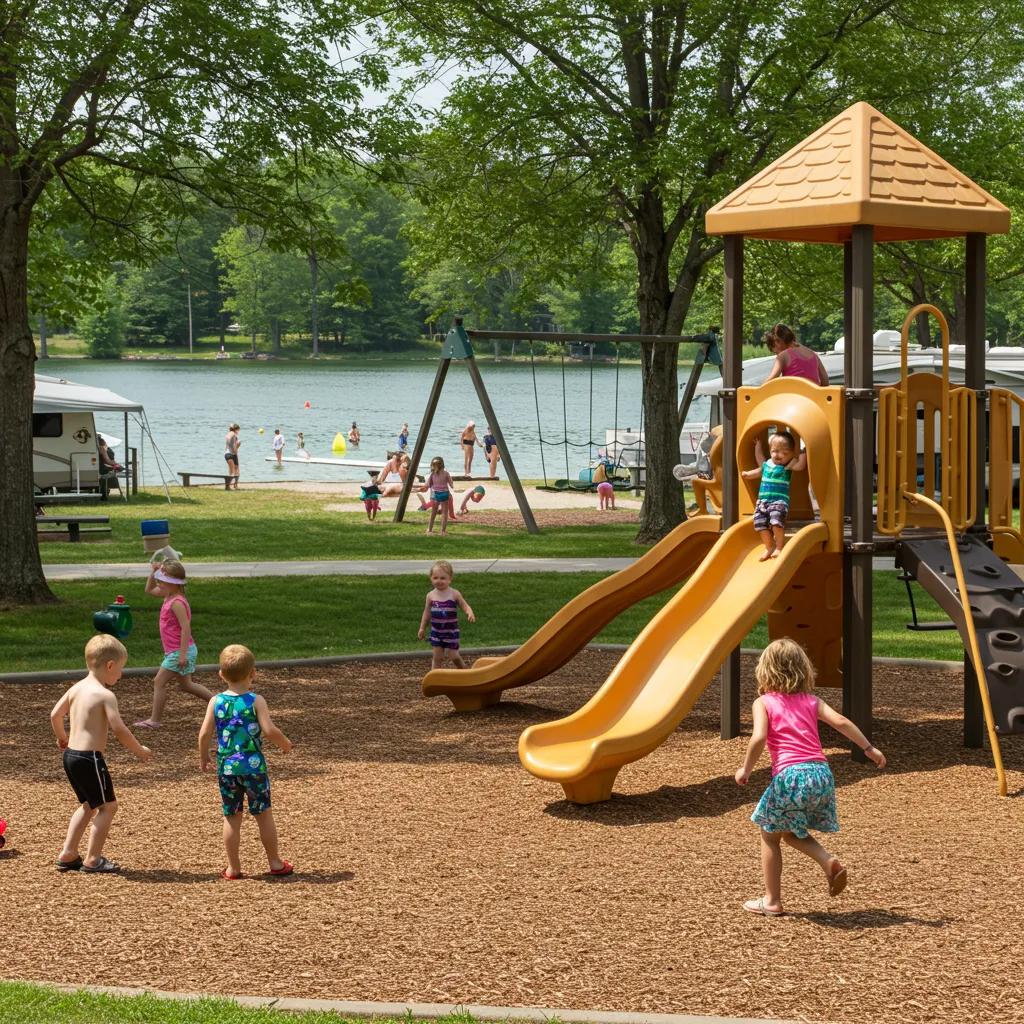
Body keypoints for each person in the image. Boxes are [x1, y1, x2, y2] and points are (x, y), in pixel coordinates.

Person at [735, 638, 886, 916]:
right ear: (803, 670)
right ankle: (827, 861)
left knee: (769, 836)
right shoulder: (812, 701)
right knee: (791, 832)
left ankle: (772, 901)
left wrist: (745, 768)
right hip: (821, 774)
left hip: (790, 776)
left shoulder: (764, 702)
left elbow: (759, 737)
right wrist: (869, 748)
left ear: (765, 671)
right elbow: (841, 721)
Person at [50, 635, 152, 874]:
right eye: (121, 669)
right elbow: (119, 729)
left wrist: (62, 738)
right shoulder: (105, 695)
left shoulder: (76, 688)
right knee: (108, 807)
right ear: (109, 665)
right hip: (90, 758)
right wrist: (139, 750)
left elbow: (55, 714)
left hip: (71, 756)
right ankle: (93, 859)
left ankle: (68, 853)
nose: (121, 674)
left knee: (88, 804)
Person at [198, 644, 294, 879]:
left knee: (231, 817)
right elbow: (269, 730)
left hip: (227, 769)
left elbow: (204, 734)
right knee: (264, 815)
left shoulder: (216, 701)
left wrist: (204, 756)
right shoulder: (255, 700)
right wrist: (285, 744)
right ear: (253, 673)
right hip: (254, 768)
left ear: (221, 675)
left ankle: (233, 867)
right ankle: (274, 862)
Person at [135, 560, 213, 730]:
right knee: (186, 685)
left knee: (159, 681)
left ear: (173, 583)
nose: (158, 582)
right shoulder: (168, 596)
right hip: (176, 651)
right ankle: (218, 702)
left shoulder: (177, 602)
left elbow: (186, 628)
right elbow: (148, 590)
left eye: (161, 580)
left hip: (179, 651)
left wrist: (183, 655)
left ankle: (154, 720)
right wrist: (152, 572)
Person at [741, 431, 807, 561]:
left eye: (785, 452)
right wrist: (748, 474)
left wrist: (804, 452)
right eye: (775, 451)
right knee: (760, 524)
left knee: (776, 522)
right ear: (770, 451)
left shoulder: (788, 466)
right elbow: (758, 464)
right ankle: (769, 546)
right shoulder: (766, 465)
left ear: (791, 454)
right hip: (762, 502)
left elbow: (800, 466)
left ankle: (779, 547)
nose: (778, 455)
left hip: (779, 501)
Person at [418, 561, 475, 670]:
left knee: (454, 656)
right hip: (436, 632)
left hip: (451, 632)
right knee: (437, 657)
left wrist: (469, 612)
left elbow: (464, 605)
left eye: (443, 578)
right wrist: (422, 628)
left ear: (450, 579)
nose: (439, 581)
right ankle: (435, 678)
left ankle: (464, 672)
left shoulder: (454, 593)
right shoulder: (430, 596)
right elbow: (427, 612)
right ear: (431, 578)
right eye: (435, 578)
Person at [764, 324, 828, 386]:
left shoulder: (783, 356)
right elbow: (825, 381)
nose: (777, 354)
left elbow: (769, 382)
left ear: (777, 341)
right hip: (813, 396)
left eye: (775, 352)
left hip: (794, 395)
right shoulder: (814, 354)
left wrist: (756, 391)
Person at [425, 456, 456, 535]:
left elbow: (428, 484)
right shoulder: (446, 473)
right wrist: (452, 486)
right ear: (443, 465)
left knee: (433, 513)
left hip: (435, 494)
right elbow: (451, 483)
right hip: (444, 494)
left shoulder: (432, 474)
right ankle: (442, 531)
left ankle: (429, 530)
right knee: (444, 513)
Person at [223, 423, 241, 489]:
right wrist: (238, 445)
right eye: (238, 430)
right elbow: (234, 446)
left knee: (231, 470)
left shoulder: (228, 434)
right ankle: (231, 485)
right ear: (236, 429)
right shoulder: (233, 435)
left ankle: (231, 485)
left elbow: (227, 446)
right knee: (235, 471)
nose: (238, 432)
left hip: (227, 454)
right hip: (232, 454)